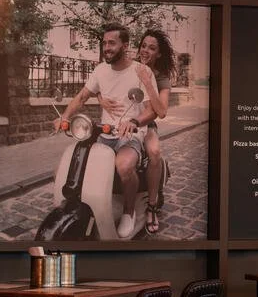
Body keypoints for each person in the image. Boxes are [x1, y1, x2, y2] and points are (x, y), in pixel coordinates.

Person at [54, 23, 153, 239]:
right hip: (105, 133)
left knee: (124, 165)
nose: (106, 47)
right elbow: (82, 96)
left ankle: (128, 210)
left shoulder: (141, 72)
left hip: (130, 134)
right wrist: (64, 116)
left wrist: (134, 121)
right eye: (104, 43)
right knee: (78, 160)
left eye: (112, 43)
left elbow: (151, 110)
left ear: (124, 45)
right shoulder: (100, 70)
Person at [100, 28, 175, 235]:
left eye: (152, 48)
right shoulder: (129, 66)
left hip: (146, 124)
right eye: (143, 46)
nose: (145, 51)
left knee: (154, 152)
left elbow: (161, 111)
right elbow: (104, 84)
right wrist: (101, 100)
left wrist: (148, 82)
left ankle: (151, 206)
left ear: (159, 54)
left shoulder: (161, 77)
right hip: (123, 123)